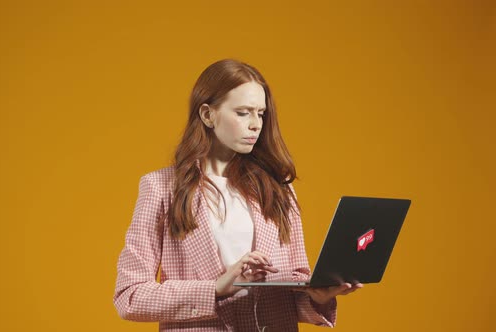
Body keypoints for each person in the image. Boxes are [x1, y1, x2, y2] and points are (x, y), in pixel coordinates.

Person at [113, 59, 362, 331]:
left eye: (261, 113)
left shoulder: (279, 188)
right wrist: (216, 288)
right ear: (208, 115)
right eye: (243, 113)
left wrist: (317, 296)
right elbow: (130, 296)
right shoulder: (161, 188)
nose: (256, 124)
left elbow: (292, 294)